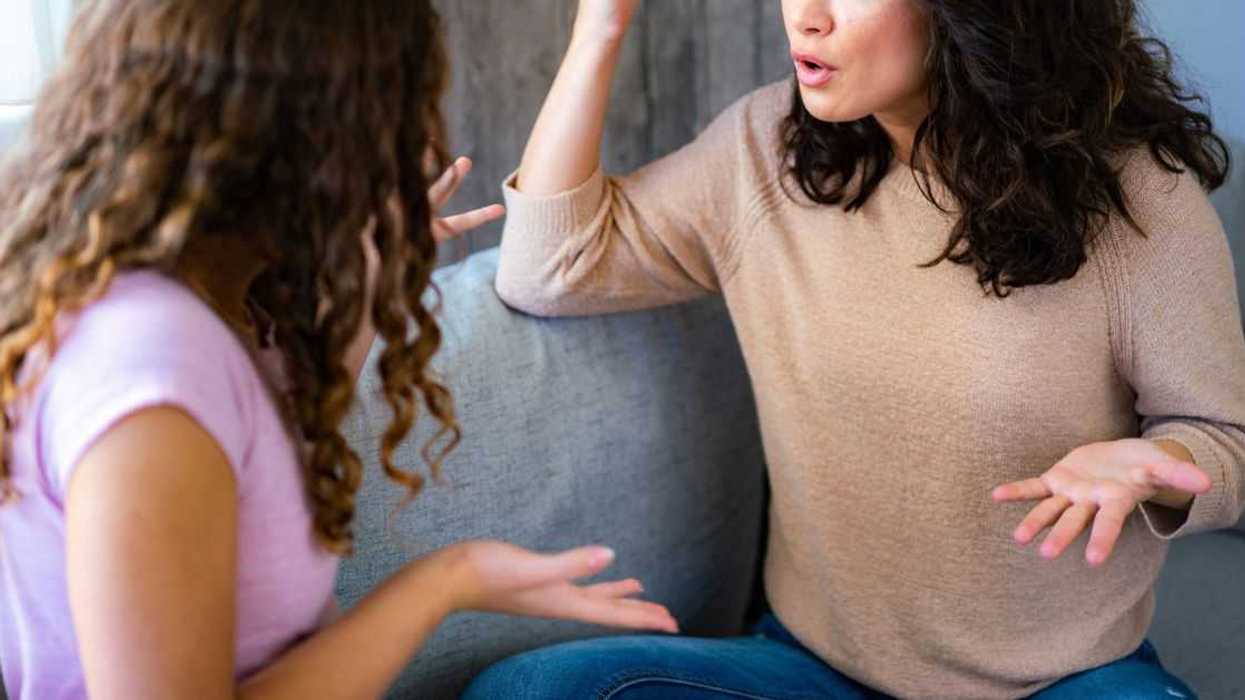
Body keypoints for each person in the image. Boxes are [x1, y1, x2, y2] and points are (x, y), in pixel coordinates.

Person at [462, 0, 1245, 697]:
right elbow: (548, 269)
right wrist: (601, 26)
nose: (804, 16)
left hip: (1064, 680)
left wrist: (1159, 466)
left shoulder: (1135, 197)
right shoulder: (763, 152)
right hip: (811, 669)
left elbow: (1227, 440)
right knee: (532, 689)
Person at [0, 2, 678, 698]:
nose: (418, 149)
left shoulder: (204, 306)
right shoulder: (149, 362)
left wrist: (373, 269)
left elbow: (269, 478)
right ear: (306, 127)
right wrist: (447, 582)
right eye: (395, 107)